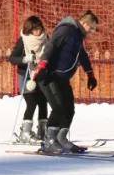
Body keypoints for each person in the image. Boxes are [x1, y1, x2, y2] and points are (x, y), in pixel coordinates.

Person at [30, 10, 99, 154]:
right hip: (49, 75)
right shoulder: (67, 30)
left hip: (62, 78)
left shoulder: (78, 35)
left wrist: (90, 74)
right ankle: (48, 142)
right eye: (91, 28)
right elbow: (52, 45)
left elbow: (82, 55)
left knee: (69, 109)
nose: (92, 31)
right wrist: (42, 64)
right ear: (85, 23)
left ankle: (61, 139)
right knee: (59, 108)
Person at [7, 15, 48, 143]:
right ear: (29, 30)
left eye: (39, 28)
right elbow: (12, 58)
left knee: (43, 101)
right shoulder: (23, 40)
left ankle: (43, 131)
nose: (38, 32)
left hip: (41, 74)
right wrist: (25, 59)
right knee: (31, 102)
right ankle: (25, 132)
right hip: (26, 75)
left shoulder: (46, 38)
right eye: (34, 30)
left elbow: (51, 52)